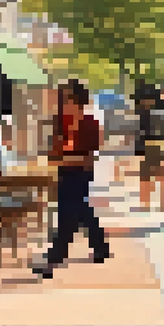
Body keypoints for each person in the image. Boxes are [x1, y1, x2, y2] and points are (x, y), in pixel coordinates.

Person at [34, 80, 108, 279]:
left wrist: (64, 158)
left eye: (67, 98)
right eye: (62, 99)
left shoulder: (90, 123)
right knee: (80, 210)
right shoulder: (60, 122)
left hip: (81, 173)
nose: (64, 103)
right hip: (65, 172)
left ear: (78, 101)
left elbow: (89, 156)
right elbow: (52, 150)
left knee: (68, 214)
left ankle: (55, 258)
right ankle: (100, 245)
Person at [135, 86, 164, 213]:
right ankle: (147, 201)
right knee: (147, 175)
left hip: (156, 143)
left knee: (157, 174)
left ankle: (160, 201)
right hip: (149, 144)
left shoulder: (156, 114)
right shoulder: (143, 114)